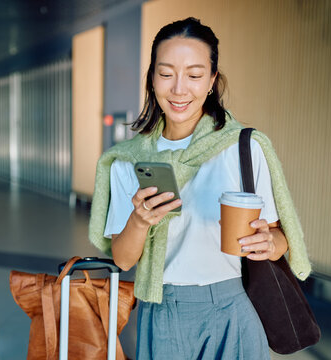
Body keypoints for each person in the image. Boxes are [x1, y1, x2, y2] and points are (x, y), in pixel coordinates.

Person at [88, 17, 312, 359]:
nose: (179, 89)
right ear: (151, 79)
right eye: (166, 74)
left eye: (194, 75)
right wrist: (139, 220)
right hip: (163, 310)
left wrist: (271, 242)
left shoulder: (243, 148)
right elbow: (123, 258)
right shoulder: (128, 161)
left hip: (234, 307)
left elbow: (279, 237)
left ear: (211, 81)